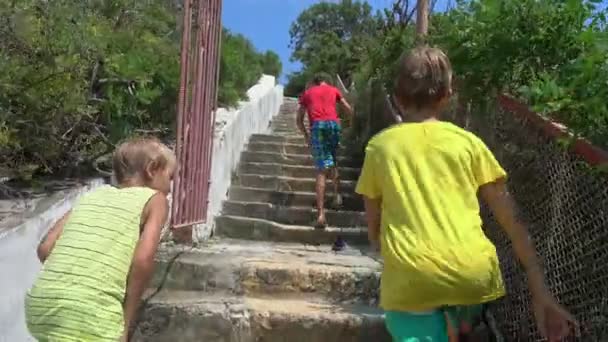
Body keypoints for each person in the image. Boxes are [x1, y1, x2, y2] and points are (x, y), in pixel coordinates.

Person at [355, 47, 575, 341]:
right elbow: (514, 221)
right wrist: (541, 291)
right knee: (462, 304)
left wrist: (378, 244)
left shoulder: (379, 148)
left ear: (396, 98)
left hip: (412, 278)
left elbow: (374, 220)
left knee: (412, 316)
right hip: (471, 275)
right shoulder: (469, 144)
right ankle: (460, 324)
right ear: (447, 95)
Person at [25, 137, 175, 342]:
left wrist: (70, 284)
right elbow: (143, 260)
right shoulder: (154, 199)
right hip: (92, 312)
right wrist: (126, 322)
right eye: (170, 177)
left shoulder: (92, 196)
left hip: (41, 305)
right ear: (151, 169)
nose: (170, 187)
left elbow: (45, 248)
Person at [297, 73, 353, 228]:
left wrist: (306, 135)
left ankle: (321, 214)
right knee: (333, 161)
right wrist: (349, 125)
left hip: (318, 127)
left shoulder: (308, 93)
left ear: (314, 82)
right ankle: (337, 196)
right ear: (326, 82)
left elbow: (299, 119)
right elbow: (348, 109)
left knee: (322, 169)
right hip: (334, 125)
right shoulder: (334, 90)